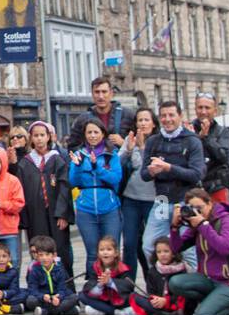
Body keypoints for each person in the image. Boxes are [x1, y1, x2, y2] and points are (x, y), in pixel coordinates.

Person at [167, 188, 229, 315]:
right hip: (209, 280)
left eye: (200, 208)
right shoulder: (197, 223)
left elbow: (225, 248)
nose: (197, 211)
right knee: (175, 283)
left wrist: (202, 225)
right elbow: (176, 249)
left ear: (210, 204)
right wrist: (174, 227)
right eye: (192, 208)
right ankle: (213, 300)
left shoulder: (227, 220)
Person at [139, 101, 205, 264]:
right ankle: (162, 283)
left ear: (180, 116)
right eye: (163, 116)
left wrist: (168, 168)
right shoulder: (153, 141)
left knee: (188, 251)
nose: (167, 119)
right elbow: (144, 174)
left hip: (185, 201)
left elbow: (197, 174)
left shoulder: (192, 141)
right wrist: (152, 171)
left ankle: (190, 287)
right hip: (162, 200)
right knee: (148, 246)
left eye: (171, 115)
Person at [17, 121, 74, 277]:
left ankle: (66, 288)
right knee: (39, 250)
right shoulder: (25, 163)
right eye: (36, 136)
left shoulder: (57, 160)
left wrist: (63, 214)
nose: (39, 139)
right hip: (35, 215)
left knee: (60, 251)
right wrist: (25, 218)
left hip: (55, 213)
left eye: (42, 135)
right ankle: (41, 288)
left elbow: (64, 188)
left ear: (49, 137)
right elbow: (21, 191)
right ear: (31, 138)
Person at [68, 121, 123, 273]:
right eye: (89, 132)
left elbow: (116, 178)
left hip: (109, 208)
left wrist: (96, 167)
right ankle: (93, 286)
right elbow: (73, 182)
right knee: (93, 252)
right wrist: (78, 167)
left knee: (111, 250)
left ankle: (115, 285)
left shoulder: (111, 154)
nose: (92, 136)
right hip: (86, 209)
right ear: (85, 135)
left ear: (103, 134)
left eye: (96, 132)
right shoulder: (79, 154)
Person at [119, 107, 158, 282]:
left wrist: (142, 148)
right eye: (139, 120)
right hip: (131, 198)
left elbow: (149, 169)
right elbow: (117, 162)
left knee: (152, 244)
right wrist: (128, 149)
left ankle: (155, 285)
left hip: (154, 199)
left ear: (153, 123)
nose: (142, 123)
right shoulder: (130, 138)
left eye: (146, 120)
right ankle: (128, 285)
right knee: (129, 244)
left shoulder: (159, 141)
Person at [67, 76, 135, 151]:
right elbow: (72, 147)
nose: (101, 96)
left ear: (111, 93)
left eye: (104, 92)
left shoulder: (128, 115)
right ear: (92, 94)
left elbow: (141, 146)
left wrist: (123, 143)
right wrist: (87, 150)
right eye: (97, 92)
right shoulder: (82, 119)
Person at [127, 238, 188, 315]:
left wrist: (166, 301)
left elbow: (182, 294)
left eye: (166, 251)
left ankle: (165, 314)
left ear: (173, 253)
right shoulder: (153, 271)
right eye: (159, 252)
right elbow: (151, 292)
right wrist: (156, 299)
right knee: (134, 297)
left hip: (175, 304)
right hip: (159, 304)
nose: (162, 255)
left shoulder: (181, 269)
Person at [191, 92, 229, 204]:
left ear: (215, 111)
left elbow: (224, 157)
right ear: (195, 109)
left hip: (216, 188)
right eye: (200, 107)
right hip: (192, 190)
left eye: (207, 108)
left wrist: (206, 138)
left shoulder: (223, 132)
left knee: (220, 220)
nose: (203, 111)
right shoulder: (188, 130)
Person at [79, 235, 134, 315]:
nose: (105, 252)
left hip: (118, 300)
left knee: (133, 298)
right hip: (102, 299)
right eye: (101, 250)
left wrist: (111, 282)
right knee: (82, 296)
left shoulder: (122, 268)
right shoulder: (95, 267)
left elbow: (129, 285)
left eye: (109, 249)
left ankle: (106, 310)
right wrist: (100, 284)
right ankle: (115, 312)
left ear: (116, 253)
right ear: (98, 253)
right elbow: (89, 285)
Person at [24, 236, 78, 315]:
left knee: (74, 297)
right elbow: (32, 289)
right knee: (30, 301)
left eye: (47, 254)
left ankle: (45, 312)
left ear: (54, 255)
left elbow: (62, 288)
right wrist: (42, 296)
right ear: (37, 256)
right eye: (41, 255)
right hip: (44, 298)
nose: (44, 258)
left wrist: (58, 297)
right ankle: (63, 311)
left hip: (56, 296)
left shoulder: (59, 269)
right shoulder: (34, 270)